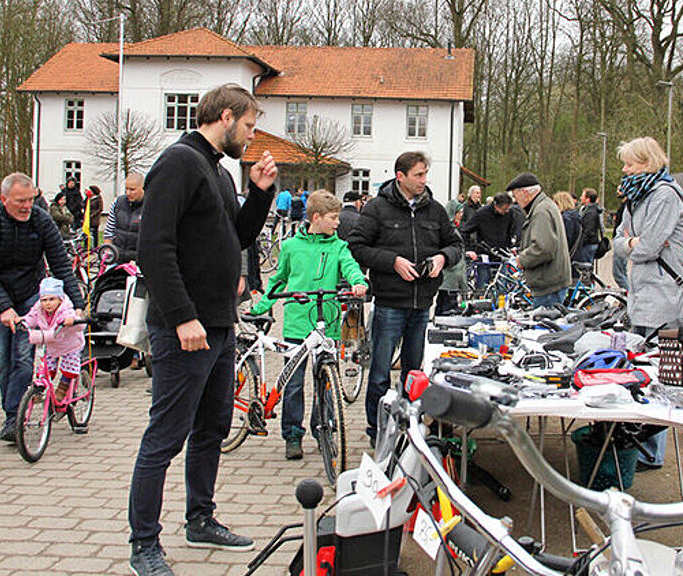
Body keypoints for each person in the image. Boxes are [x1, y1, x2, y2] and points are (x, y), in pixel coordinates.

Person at [129, 83, 276, 575]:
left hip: (218, 324)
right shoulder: (178, 162)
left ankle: (200, 518)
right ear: (227, 116)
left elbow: (236, 238)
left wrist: (258, 193)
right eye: (250, 127)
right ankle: (144, 545)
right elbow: (155, 247)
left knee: (211, 427)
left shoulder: (216, 169)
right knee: (165, 437)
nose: (250, 138)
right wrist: (181, 315)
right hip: (185, 328)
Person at [348, 151, 462, 445]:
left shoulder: (435, 210)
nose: (424, 180)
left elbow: (455, 244)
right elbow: (356, 246)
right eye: (418, 175)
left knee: (414, 373)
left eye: (425, 174)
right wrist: (392, 261)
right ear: (401, 176)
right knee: (379, 373)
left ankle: (409, 427)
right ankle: (377, 431)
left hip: (422, 303)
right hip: (389, 303)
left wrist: (442, 258)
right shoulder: (377, 209)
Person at [250, 190, 367, 460]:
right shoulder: (291, 246)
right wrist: (260, 308)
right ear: (316, 217)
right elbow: (279, 280)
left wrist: (358, 282)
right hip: (296, 324)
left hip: (328, 325)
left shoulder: (338, 247)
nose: (338, 223)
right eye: (333, 218)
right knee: (293, 384)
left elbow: (350, 267)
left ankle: (323, 427)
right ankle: (292, 434)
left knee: (327, 382)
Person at [0, 172, 85, 442]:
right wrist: (2, 306)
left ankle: (15, 418)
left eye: (30, 200)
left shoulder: (41, 220)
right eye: (20, 201)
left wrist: (77, 305)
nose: (26, 206)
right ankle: (11, 409)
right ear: (3, 199)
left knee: (22, 357)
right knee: (1, 359)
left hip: (30, 295)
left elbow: (59, 263)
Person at [613, 137, 683, 471]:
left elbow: (648, 249)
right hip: (641, 294)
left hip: (664, 296)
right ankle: (639, 445)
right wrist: (632, 241)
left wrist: (630, 242)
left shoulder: (665, 195)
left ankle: (652, 452)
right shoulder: (638, 195)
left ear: (647, 163)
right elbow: (618, 241)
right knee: (640, 372)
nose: (625, 169)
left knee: (659, 375)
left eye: (630, 164)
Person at [507, 172, 571, 307]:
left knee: (543, 326)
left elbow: (543, 248)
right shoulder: (544, 206)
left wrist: (521, 260)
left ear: (524, 192)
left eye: (515, 195)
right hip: (551, 282)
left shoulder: (541, 211)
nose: (515, 200)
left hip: (548, 285)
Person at [22, 278, 85, 403]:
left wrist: (72, 321)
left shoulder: (66, 310)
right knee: (46, 367)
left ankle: (63, 387)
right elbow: (31, 317)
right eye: (44, 300)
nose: (47, 303)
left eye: (52, 299)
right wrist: (23, 322)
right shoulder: (38, 309)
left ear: (60, 299)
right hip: (52, 343)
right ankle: (39, 388)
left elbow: (80, 325)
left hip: (70, 344)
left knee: (69, 366)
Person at [458, 192, 517, 287]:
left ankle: (499, 300)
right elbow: (465, 231)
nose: (506, 211)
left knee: (502, 285)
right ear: (496, 205)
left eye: (508, 209)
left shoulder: (509, 214)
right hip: (484, 253)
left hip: (502, 254)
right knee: (483, 284)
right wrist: (468, 249)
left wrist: (511, 246)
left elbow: (511, 230)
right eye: (504, 209)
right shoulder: (481, 214)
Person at [104, 173, 145, 263]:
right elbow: (109, 231)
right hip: (116, 257)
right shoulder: (118, 203)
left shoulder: (150, 207)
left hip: (138, 261)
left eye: (132, 189)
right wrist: (108, 252)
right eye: (126, 188)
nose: (128, 193)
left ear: (142, 188)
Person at [553, 191, 583, 263]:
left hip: (568, 257)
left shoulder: (566, 218)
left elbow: (566, 240)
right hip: (576, 255)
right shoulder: (575, 216)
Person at [577, 187, 603, 264]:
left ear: (588, 199)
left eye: (582, 196)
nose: (580, 198)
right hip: (589, 243)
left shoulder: (591, 212)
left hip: (588, 244)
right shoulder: (589, 210)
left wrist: (581, 242)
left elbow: (589, 230)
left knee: (586, 266)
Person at [612, 191, 629, 291]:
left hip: (622, 240)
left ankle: (629, 294)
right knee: (622, 271)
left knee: (618, 273)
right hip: (622, 239)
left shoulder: (627, 205)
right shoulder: (625, 205)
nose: (617, 191)